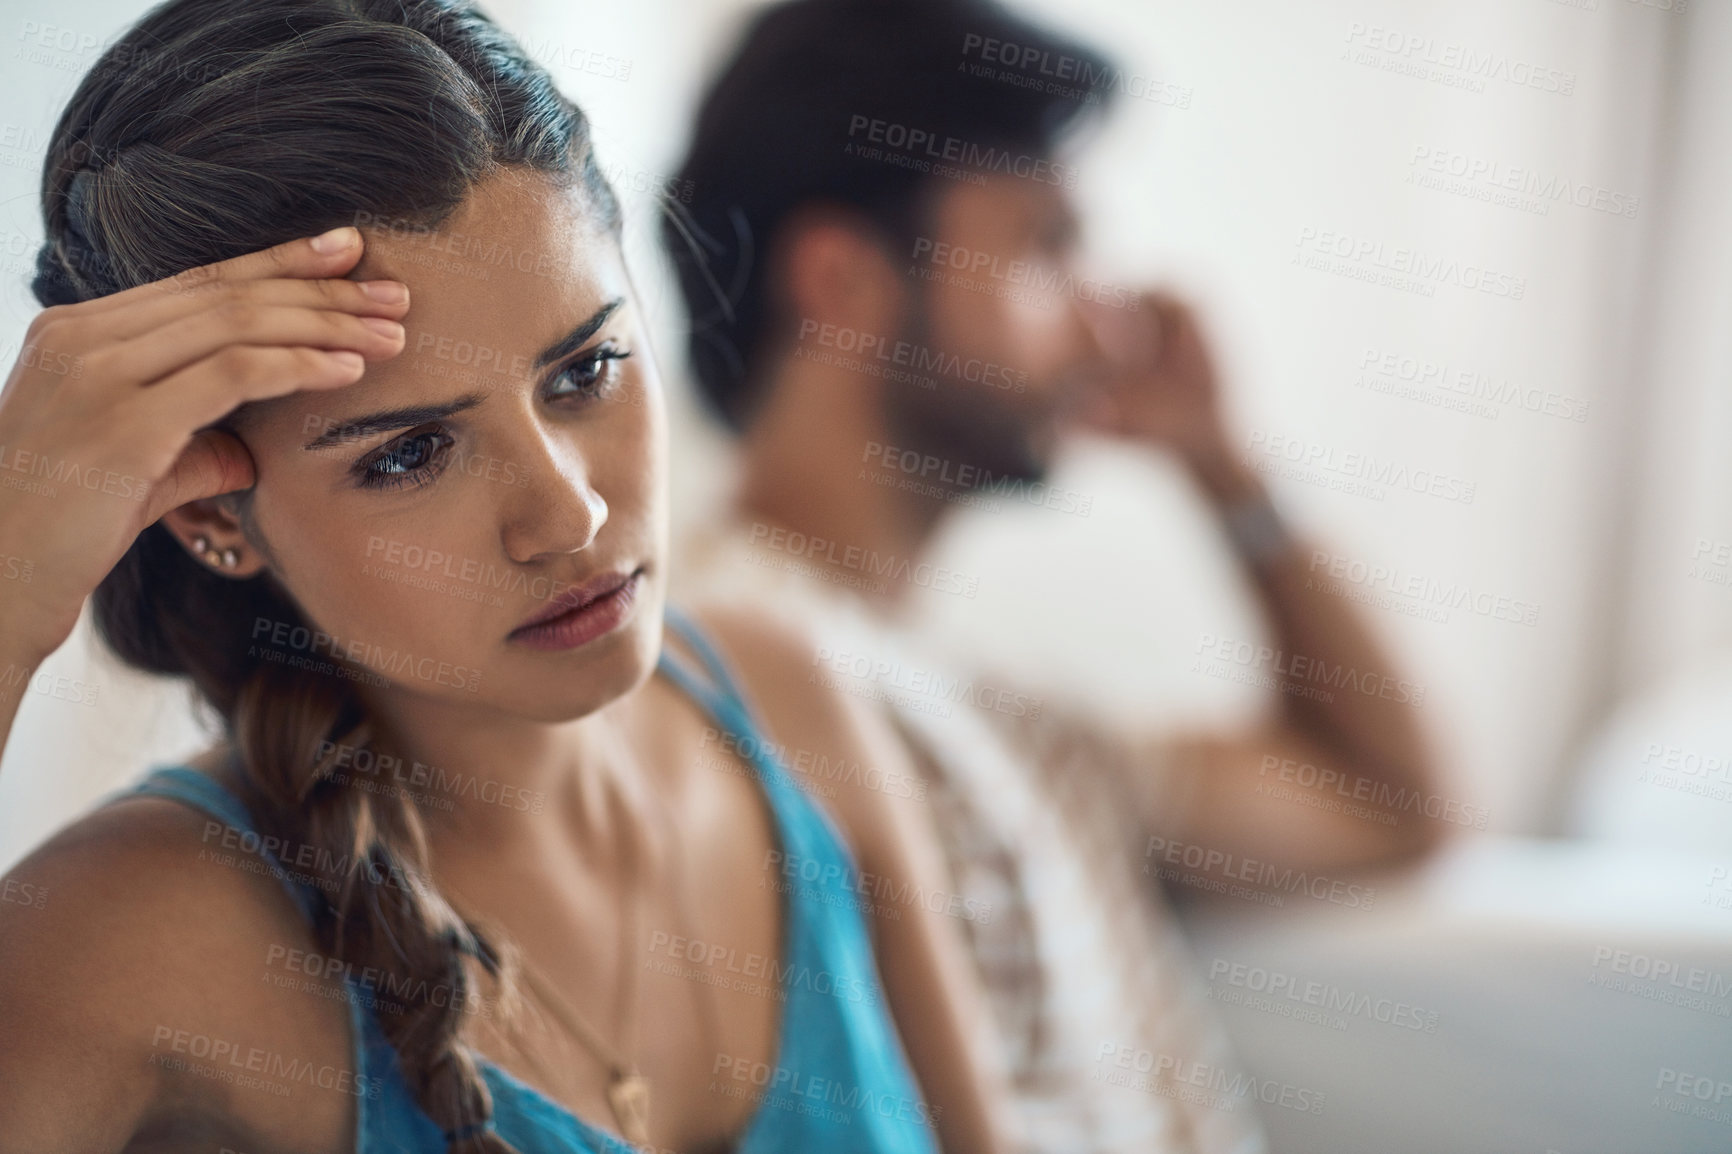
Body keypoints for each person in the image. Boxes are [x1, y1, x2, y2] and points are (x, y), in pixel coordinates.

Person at [0, 2, 1011, 1152]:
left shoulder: (790, 702)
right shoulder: (131, 945)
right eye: (409, 450)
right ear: (210, 519)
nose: (567, 512)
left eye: (586, 369)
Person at [661, 1, 1448, 1150]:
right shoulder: (718, 667)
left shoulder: (1008, 707)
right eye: (1044, 246)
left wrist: (1229, 471)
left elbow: (1387, 808)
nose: (1106, 322)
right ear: (841, 280)